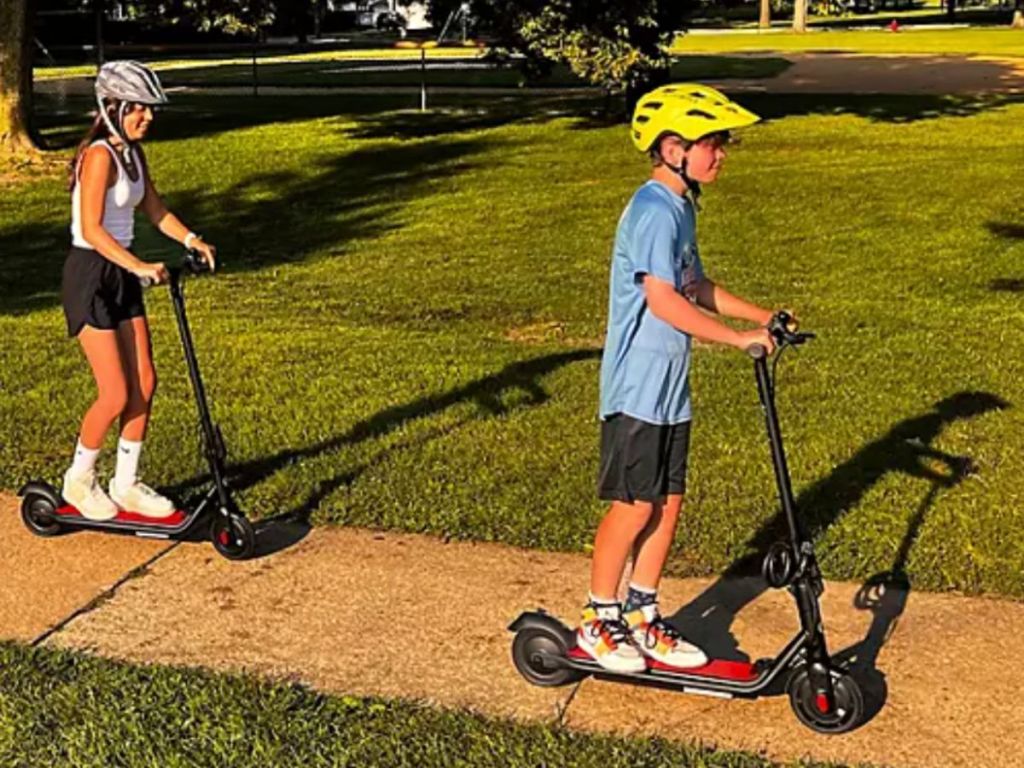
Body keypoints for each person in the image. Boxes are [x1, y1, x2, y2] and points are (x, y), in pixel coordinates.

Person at [577, 84, 790, 673]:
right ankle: (599, 620)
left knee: (668, 505)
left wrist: (759, 316)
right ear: (674, 147)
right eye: (713, 144)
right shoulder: (651, 209)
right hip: (638, 388)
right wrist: (735, 340)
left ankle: (642, 618)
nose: (721, 155)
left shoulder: (681, 206)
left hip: (670, 388)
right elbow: (665, 301)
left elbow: (694, 284)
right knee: (634, 507)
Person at [61, 60, 216, 521]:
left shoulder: (132, 154)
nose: (147, 118)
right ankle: (79, 478)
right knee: (114, 392)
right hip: (90, 273)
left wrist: (191, 239)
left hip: (122, 272)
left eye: (149, 110)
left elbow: (154, 208)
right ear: (113, 108)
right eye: (139, 110)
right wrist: (139, 266)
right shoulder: (98, 157)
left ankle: (125, 483)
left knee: (144, 382)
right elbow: (91, 228)